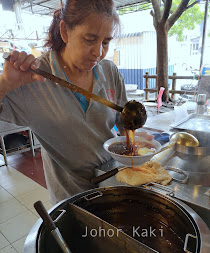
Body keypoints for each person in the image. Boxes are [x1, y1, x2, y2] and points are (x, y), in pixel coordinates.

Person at [0, 0, 152, 205]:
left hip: (112, 182)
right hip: (70, 200)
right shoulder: (34, 78)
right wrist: (5, 84)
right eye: (90, 39)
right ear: (65, 31)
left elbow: (124, 122)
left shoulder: (109, 71)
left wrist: (134, 146)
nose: (98, 52)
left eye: (106, 42)